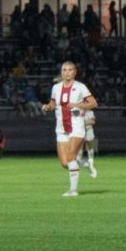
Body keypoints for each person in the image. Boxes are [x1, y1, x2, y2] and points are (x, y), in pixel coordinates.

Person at [41, 61, 97, 197]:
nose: (67, 72)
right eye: (64, 70)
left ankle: (73, 190)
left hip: (76, 126)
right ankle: (86, 164)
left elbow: (94, 103)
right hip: (61, 127)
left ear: (75, 72)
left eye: (70, 70)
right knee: (65, 163)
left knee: (71, 157)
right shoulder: (56, 88)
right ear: (61, 72)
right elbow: (53, 103)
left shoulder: (80, 87)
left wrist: (78, 105)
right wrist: (47, 107)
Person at [79, 108, 98, 178]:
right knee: (78, 151)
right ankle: (86, 164)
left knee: (90, 148)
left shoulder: (90, 111)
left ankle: (91, 165)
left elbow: (93, 122)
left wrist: (83, 123)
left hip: (88, 130)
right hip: (79, 131)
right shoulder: (76, 110)